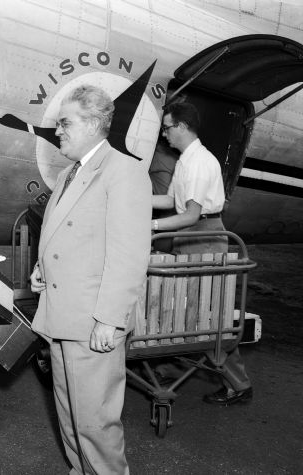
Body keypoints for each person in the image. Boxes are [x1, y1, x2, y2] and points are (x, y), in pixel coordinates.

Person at [30, 85, 151, 474]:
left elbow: (128, 254)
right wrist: (42, 269)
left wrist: (110, 318)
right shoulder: (69, 172)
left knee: (95, 426)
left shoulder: (125, 172)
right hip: (62, 315)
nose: (58, 131)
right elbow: (66, 233)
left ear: (95, 125)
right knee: (71, 419)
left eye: (65, 123)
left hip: (92, 322)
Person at [151, 101, 253, 406]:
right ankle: (169, 365)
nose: (165, 134)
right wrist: (133, 197)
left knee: (207, 313)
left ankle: (239, 384)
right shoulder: (186, 159)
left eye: (167, 127)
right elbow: (171, 199)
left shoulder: (197, 162)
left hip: (203, 235)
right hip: (191, 236)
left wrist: (151, 226)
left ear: (182, 126)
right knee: (184, 307)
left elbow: (190, 214)